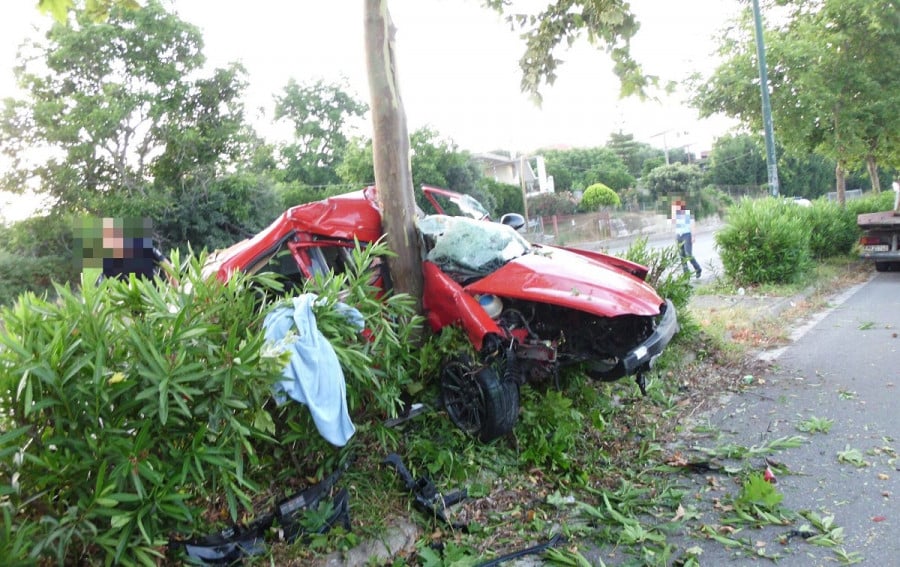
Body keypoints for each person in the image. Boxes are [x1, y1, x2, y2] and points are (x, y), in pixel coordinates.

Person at [673, 200, 702, 279]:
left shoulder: (688, 215)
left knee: (688, 254)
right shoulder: (676, 215)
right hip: (679, 236)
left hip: (687, 235)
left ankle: (698, 269)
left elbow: (693, 226)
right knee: (682, 256)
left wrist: (693, 236)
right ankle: (686, 274)